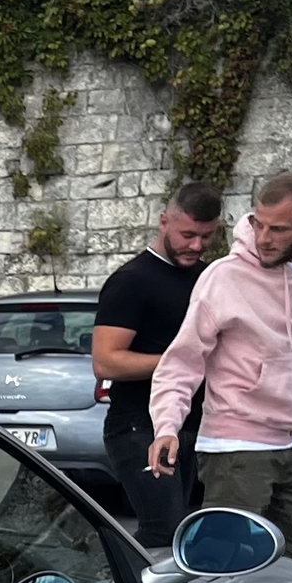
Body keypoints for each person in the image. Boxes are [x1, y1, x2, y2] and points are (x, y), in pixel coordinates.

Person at [147, 170, 292, 570]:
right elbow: (182, 360)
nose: (264, 238)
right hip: (234, 446)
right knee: (225, 572)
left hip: (286, 443)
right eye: (258, 224)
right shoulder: (225, 276)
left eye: (279, 229)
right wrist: (167, 426)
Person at [92, 182, 224, 545]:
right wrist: (183, 361)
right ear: (164, 221)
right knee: (163, 531)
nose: (196, 246)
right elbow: (106, 362)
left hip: (199, 425)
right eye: (187, 234)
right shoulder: (131, 281)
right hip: (138, 427)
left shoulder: (210, 278)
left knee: (190, 536)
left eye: (206, 236)